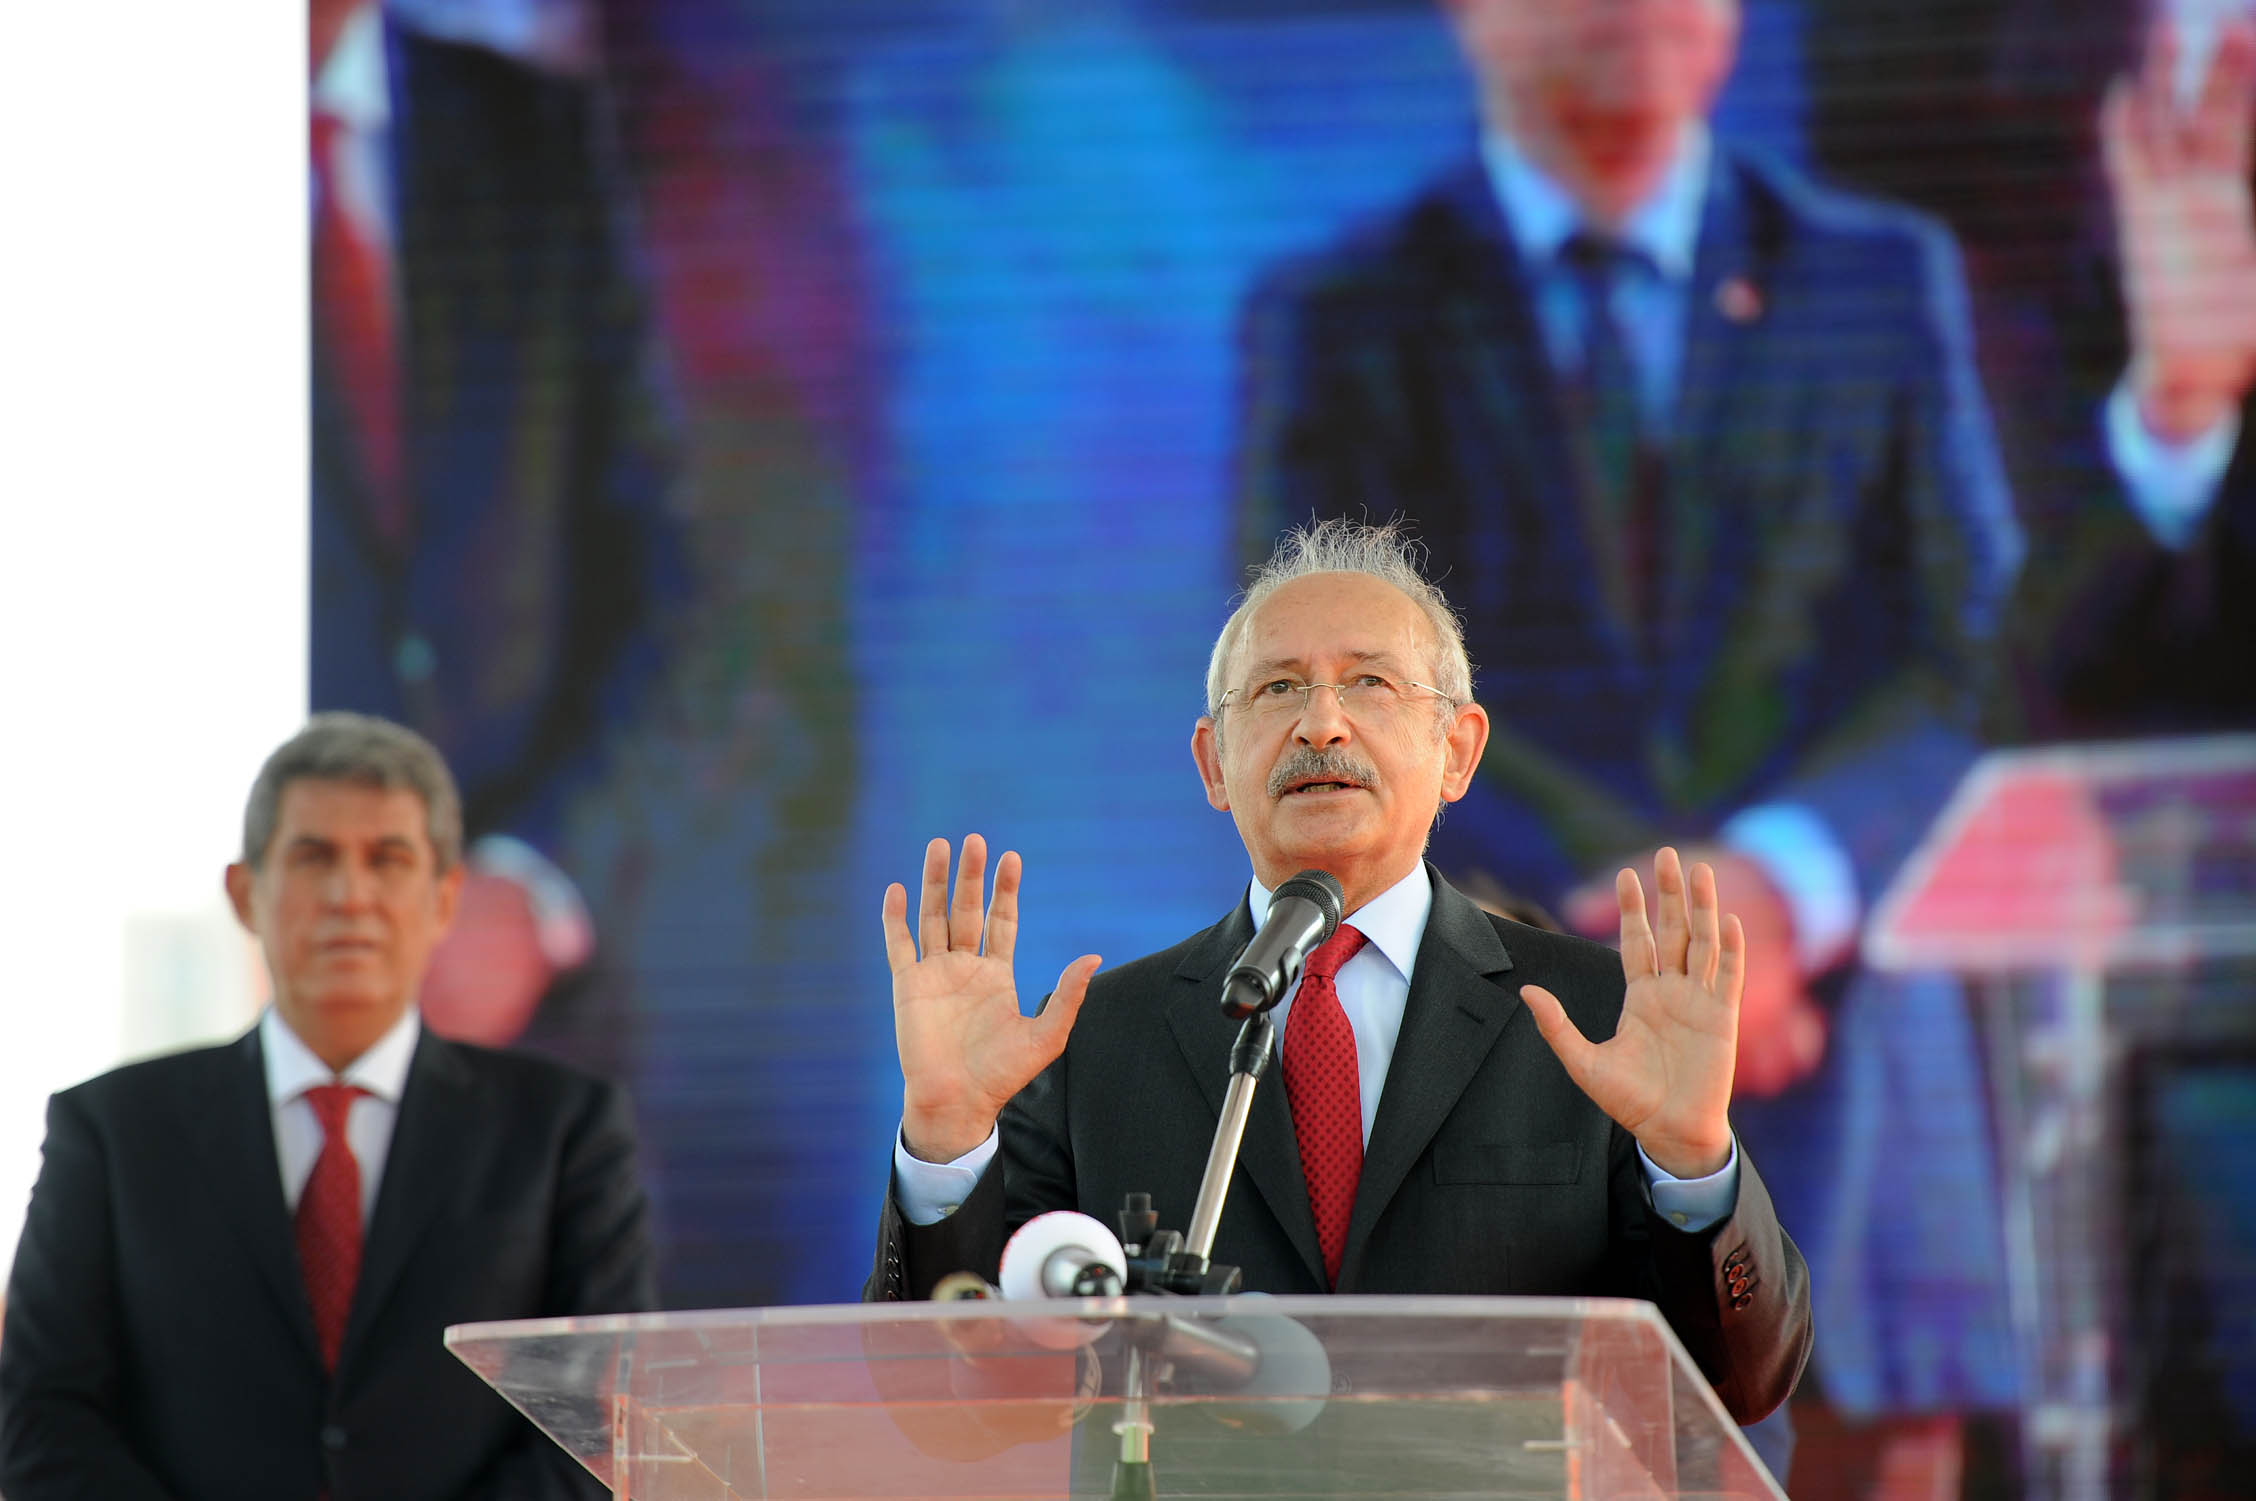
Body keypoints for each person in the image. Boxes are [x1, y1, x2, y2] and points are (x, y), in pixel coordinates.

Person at [1232, 0, 2023, 1432]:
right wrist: (1639, 931)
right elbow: (1319, 697)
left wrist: (1774, 892)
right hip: (1511, 1100)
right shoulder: (1341, 318)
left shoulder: (1876, 278)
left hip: (1851, 1070)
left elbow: (1975, 658)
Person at [865, 520, 1812, 1432]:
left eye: (1369, 682)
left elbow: (1740, 1381)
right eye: (1277, 688)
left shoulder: (1591, 1014)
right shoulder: (1098, 1040)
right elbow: (953, 1393)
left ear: (1458, 750)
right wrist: (946, 1138)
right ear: (1213, 763)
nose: (1321, 723)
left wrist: (1693, 1163)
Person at [0, 714, 657, 1500]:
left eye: (389, 858)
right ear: (245, 893)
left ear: (445, 897)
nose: (351, 894)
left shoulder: (564, 1129)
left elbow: (600, 1423)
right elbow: (41, 1412)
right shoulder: (113, 1131)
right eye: (314, 856)